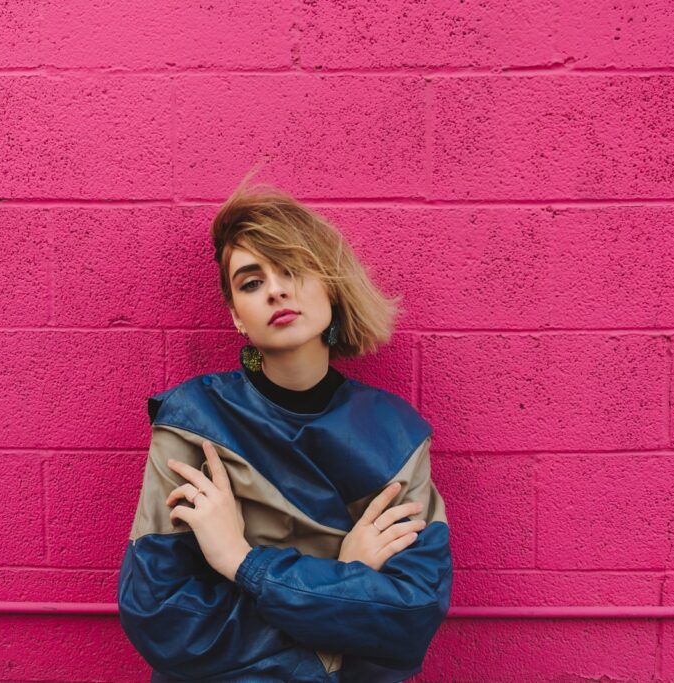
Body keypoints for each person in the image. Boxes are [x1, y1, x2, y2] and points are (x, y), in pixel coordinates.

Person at [117, 174, 453, 682]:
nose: (275, 290)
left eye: (292, 270)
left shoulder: (396, 437)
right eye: (251, 282)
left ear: (330, 286)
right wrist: (344, 582)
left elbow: (410, 617)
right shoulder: (192, 424)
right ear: (236, 316)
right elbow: (162, 619)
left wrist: (241, 561)